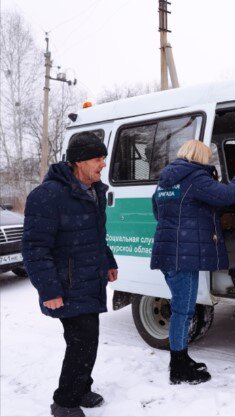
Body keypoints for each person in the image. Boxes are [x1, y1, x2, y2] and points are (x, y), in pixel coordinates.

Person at [22, 132, 118, 417]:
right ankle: (64, 402)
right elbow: (35, 247)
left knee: (86, 339)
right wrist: (49, 289)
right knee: (82, 341)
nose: (103, 164)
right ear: (78, 161)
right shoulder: (48, 195)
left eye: (104, 158)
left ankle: (81, 387)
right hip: (68, 283)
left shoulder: (93, 190)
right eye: (97, 158)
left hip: (90, 278)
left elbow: (96, 235)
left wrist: (108, 259)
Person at [150, 140, 235, 385]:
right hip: (183, 255)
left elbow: (158, 212)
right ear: (200, 156)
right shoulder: (195, 178)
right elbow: (228, 195)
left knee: (182, 308)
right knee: (183, 311)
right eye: (208, 157)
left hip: (169, 252)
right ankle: (178, 368)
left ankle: (182, 359)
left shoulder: (165, 182)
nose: (209, 162)